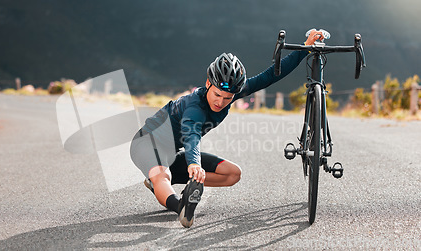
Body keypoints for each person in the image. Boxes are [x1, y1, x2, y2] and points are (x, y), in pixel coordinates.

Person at [130, 29, 326, 228]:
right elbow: (191, 135)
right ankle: (180, 204)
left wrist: (305, 48)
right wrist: (194, 164)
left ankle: (170, 185)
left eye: (227, 98)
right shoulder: (194, 107)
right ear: (208, 83)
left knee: (233, 174)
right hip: (147, 143)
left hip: (172, 153)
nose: (220, 102)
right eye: (217, 95)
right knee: (163, 175)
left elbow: (270, 76)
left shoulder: (230, 93)